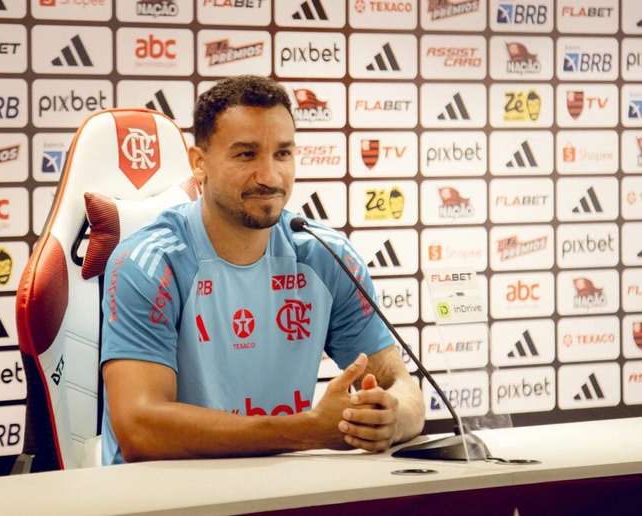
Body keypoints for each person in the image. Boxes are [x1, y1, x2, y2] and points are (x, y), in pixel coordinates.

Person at [101, 75, 425, 464]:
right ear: (199, 163)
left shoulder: (325, 253)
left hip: (278, 493)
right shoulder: (150, 261)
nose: (270, 176)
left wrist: (392, 417)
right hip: (162, 500)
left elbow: (402, 387)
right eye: (246, 154)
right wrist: (307, 430)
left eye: (283, 154)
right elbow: (140, 428)